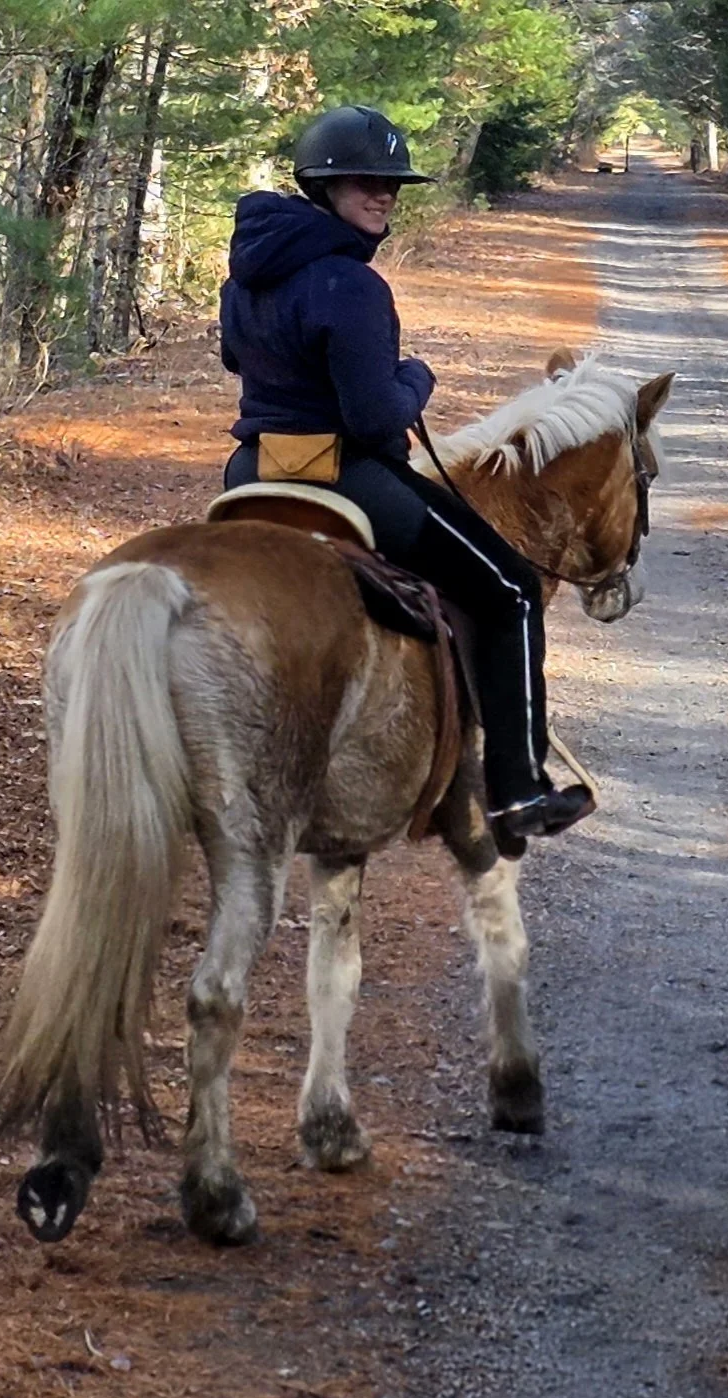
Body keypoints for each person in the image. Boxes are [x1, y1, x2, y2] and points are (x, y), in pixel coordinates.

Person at [218, 104, 593, 857]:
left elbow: (235, 360)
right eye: (367, 180)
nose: (385, 193)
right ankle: (518, 787)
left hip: (252, 469)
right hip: (348, 475)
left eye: (393, 182)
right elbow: (371, 417)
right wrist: (415, 378)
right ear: (323, 184)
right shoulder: (352, 285)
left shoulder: (250, 271)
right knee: (513, 587)